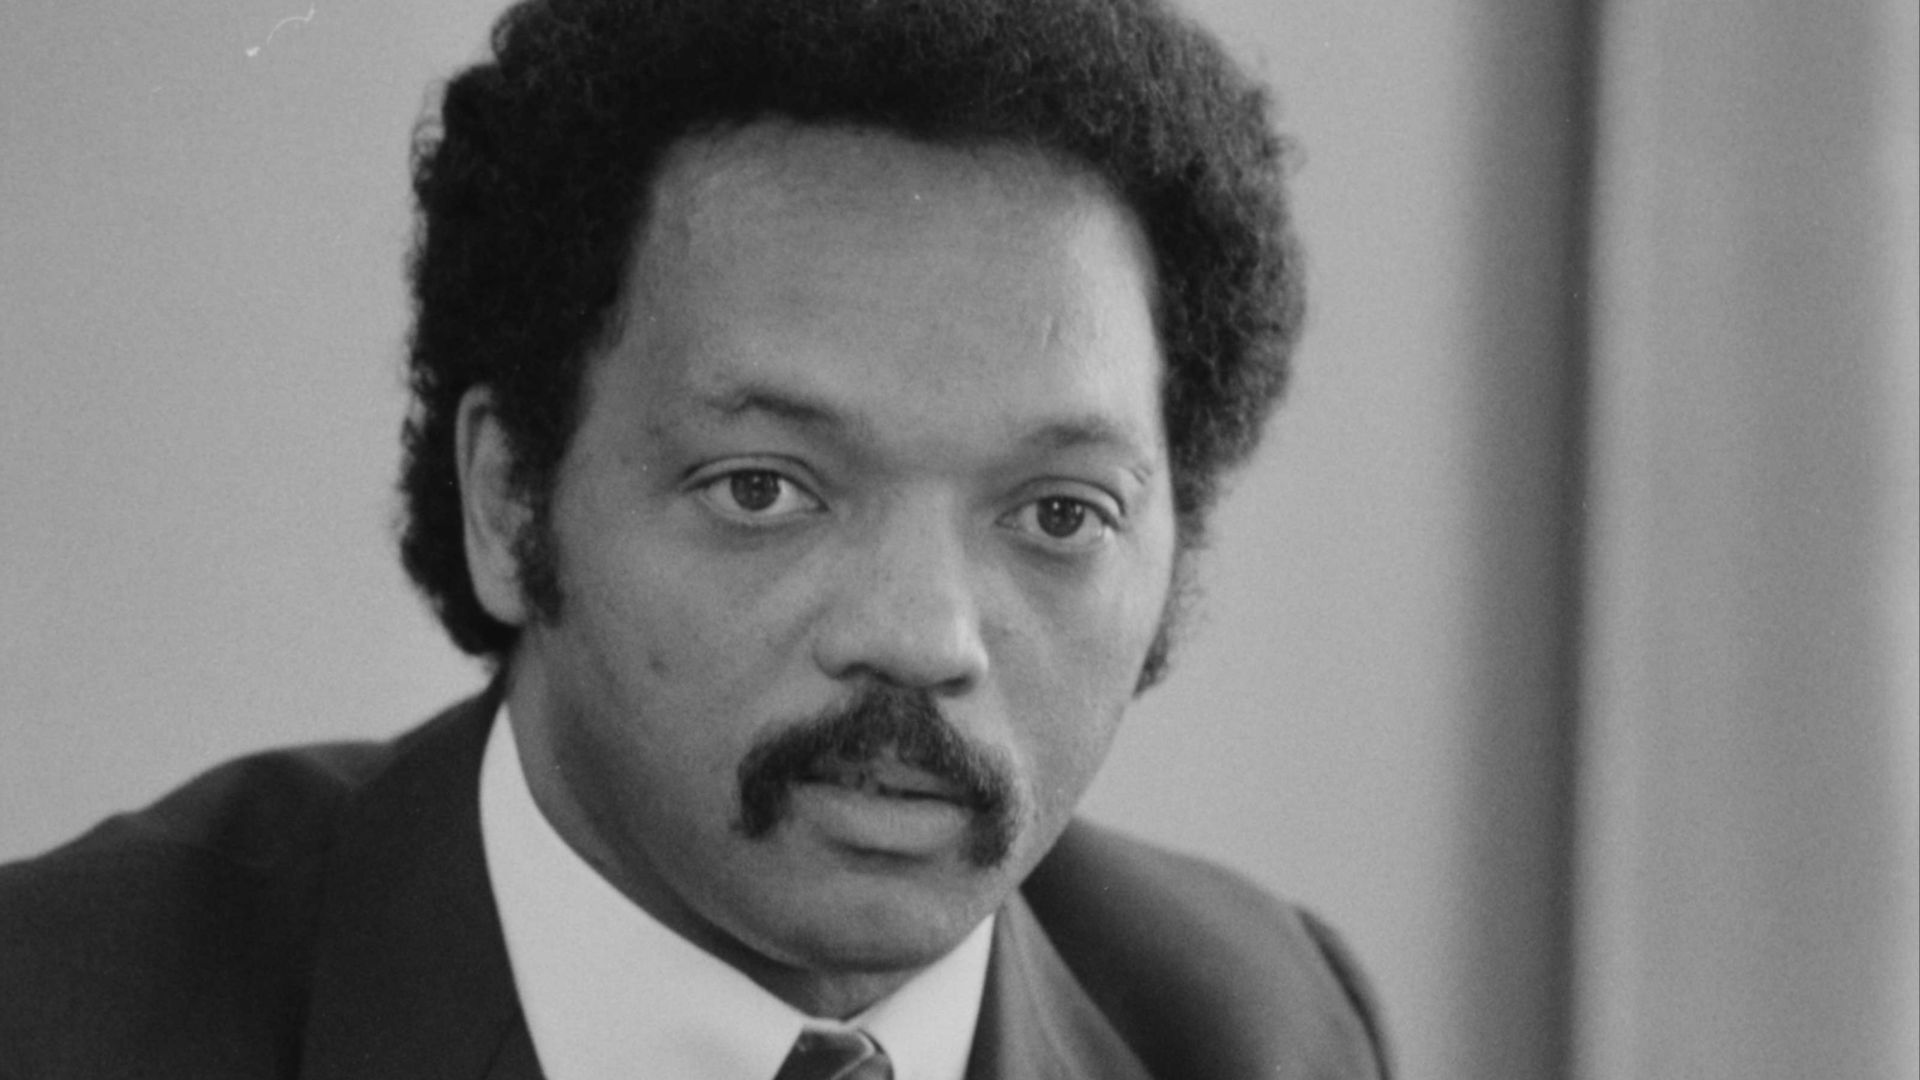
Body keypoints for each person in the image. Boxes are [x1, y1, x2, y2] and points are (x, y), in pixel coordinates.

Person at [0, 0, 1391, 1076]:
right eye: (764, 489)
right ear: (508, 500)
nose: (922, 633)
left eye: (1058, 514)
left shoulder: (1262, 1026)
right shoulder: (60, 1013)